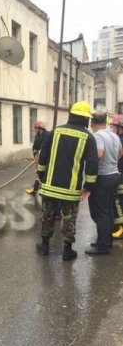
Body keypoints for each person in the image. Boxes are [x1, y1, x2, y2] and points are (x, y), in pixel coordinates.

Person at [36, 101, 98, 261]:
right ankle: (67, 251)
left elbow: (43, 156)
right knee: (69, 218)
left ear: (70, 116)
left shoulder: (54, 132)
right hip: (71, 190)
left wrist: (41, 175)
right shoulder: (88, 138)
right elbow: (92, 164)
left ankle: (44, 246)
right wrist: (88, 186)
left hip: (49, 186)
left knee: (47, 216)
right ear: (86, 119)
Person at [84, 110, 121, 255]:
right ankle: (106, 240)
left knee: (99, 212)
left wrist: (92, 170)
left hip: (102, 177)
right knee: (108, 210)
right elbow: (121, 153)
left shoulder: (97, 136)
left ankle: (102, 246)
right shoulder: (114, 135)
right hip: (113, 175)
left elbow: (98, 155)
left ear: (92, 123)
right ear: (105, 122)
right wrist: (112, 164)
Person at [25, 120, 48, 196]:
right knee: (38, 174)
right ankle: (35, 190)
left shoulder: (47, 136)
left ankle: (39, 190)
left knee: (43, 174)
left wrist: (41, 154)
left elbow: (46, 148)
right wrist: (35, 154)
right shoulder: (37, 137)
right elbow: (34, 147)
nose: (35, 130)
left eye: (36, 128)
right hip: (38, 159)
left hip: (45, 160)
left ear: (40, 128)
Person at [110, 115, 123, 238]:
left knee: (118, 201)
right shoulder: (118, 138)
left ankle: (121, 228)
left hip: (120, 174)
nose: (112, 128)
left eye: (114, 126)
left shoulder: (120, 139)